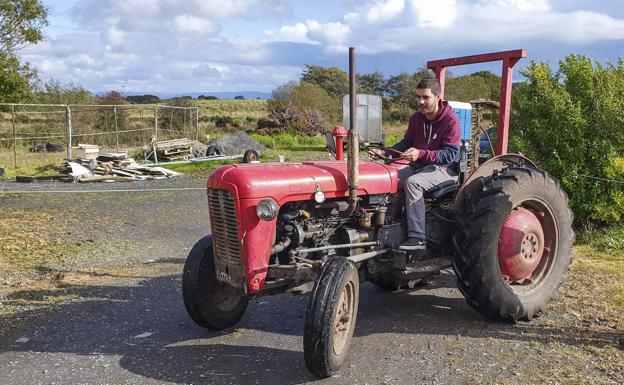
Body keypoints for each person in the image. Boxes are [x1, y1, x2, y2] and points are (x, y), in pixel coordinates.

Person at [371, 77, 461, 251]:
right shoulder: (416, 119)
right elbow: (406, 143)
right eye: (418, 97)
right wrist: (384, 152)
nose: (421, 101)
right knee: (388, 179)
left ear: (437, 96)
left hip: (445, 169)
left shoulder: (451, 121)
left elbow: (450, 154)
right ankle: (385, 226)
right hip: (420, 166)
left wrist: (421, 153)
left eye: (426, 97)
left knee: (413, 183)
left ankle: (417, 237)